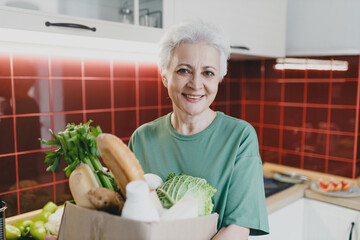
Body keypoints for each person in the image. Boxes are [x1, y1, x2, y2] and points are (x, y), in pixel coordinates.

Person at [128, 20, 269, 239]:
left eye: (208, 73)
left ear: (219, 79)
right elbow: (130, 216)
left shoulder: (240, 137)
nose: (195, 84)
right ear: (165, 76)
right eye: (184, 70)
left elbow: (238, 226)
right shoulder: (142, 138)